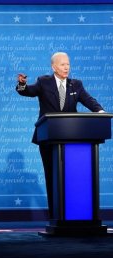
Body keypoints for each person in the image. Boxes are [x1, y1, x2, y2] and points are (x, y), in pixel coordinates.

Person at [15, 52, 105, 219]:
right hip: (48, 139)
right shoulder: (44, 82)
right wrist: (22, 84)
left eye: (68, 64)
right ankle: (55, 216)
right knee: (52, 176)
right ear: (54, 67)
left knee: (71, 179)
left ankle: (74, 215)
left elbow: (88, 100)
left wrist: (100, 111)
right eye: (63, 64)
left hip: (72, 140)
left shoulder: (76, 85)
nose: (66, 67)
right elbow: (27, 91)